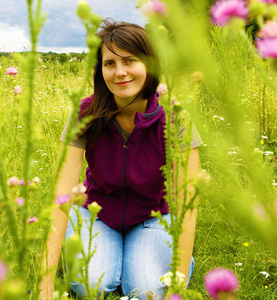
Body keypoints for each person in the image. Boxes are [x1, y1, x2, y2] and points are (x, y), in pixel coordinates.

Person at [40, 18, 202, 300]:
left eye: (130, 61)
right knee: (91, 288)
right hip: (97, 213)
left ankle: (153, 255)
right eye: (110, 63)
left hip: (152, 216)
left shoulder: (174, 116)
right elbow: (62, 194)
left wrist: (176, 277)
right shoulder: (85, 114)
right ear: (100, 69)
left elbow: (188, 201)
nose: (120, 72)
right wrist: (45, 284)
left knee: (148, 291)